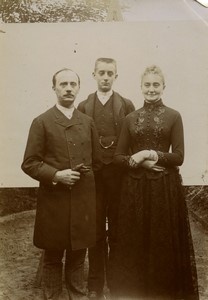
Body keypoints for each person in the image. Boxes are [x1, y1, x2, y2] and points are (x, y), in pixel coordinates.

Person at [111, 65, 199, 300]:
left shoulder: (174, 116)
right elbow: (118, 158)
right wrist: (139, 162)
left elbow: (179, 156)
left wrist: (149, 153)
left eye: (156, 84)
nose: (151, 89)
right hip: (135, 189)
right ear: (141, 87)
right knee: (136, 240)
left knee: (162, 241)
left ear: (163, 87)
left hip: (164, 187)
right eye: (147, 85)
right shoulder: (130, 118)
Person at [21, 68, 102, 300]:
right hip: (54, 202)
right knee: (53, 258)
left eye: (73, 84)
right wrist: (57, 175)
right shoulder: (42, 122)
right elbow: (29, 163)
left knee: (78, 256)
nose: (68, 88)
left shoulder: (87, 122)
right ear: (54, 88)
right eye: (63, 84)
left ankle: (78, 296)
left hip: (82, 201)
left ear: (78, 88)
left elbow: (96, 162)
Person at [77, 58, 135, 299]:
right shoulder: (83, 106)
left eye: (110, 73)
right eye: (101, 72)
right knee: (95, 231)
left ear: (116, 76)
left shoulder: (126, 104)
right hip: (94, 179)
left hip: (120, 177)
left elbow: (134, 140)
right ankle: (94, 286)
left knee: (119, 231)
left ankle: (118, 282)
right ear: (93, 74)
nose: (105, 77)